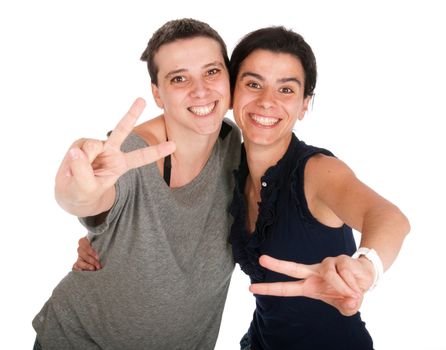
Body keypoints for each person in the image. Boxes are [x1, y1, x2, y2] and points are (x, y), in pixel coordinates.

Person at [32, 18, 241, 349]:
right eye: (179, 78)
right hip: (82, 340)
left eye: (212, 72)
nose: (200, 90)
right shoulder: (129, 155)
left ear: (229, 79)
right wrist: (78, 192)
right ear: (158, 94)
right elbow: (89, 198)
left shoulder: (234, 142)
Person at [227, 27, 410, 349]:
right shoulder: (229, 162)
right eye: (254, 84)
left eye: (286, 90)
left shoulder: (317, 171)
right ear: (232, 92)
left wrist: (365, 267)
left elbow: (387, 216)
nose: (267, 101)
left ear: (304, 104)